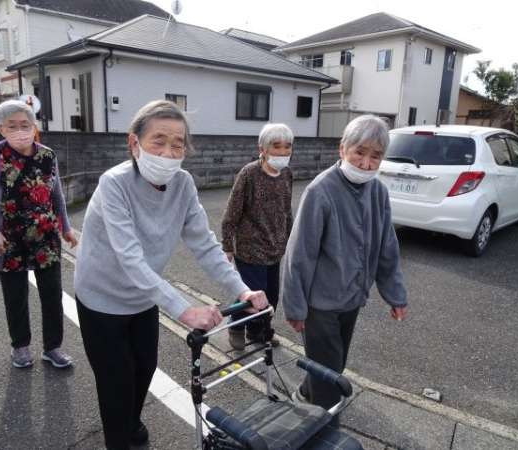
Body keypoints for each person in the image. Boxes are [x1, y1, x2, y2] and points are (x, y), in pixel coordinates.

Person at [74, 100, 268, 450]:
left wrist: (242, 290)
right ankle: (119, 438)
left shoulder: (183, 183)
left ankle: (131, 421)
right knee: (116, 381)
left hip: (143, 296)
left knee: (145, 367)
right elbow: (130, 258)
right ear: (134, 143)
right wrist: (185, 310)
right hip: (101, 298)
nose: (168, 152)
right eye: (158, 141)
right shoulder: (114, 184)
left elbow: (205, 244)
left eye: (178, 144)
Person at [281, 115, 408, 424]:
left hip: (352, 299)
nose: (366, 163)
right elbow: (299, 254)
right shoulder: (320, 191)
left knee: (333, 364)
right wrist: (295, 307)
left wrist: (395, 295)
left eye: (375, 156)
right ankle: (325, 427)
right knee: (329, 374)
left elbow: (387, 247)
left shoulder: (377, 192)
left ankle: (306, 395)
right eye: (359, 152)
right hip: (320, 305)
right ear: (342, 149)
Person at [0, 100, 77, 370]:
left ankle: (53, 347)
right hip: (7, 239)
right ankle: (20, 346)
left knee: (52, 294)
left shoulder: (47, 155)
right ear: (1, 128)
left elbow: (56, 194)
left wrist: (66, 228)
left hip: (46, 236)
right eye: (12, 126)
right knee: (15, 296)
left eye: (25, 124)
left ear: (34, 126)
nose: (20, 130)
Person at [221, 123, 293, 350]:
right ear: (262, 148)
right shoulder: (249, 174)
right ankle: (236, 326)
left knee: (271, 295)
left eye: (288, 146)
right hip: (249, 247)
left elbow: (286, 210)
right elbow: (232, 212)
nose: (283, 151)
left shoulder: (287, 174)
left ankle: (257, 330)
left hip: (275, 247)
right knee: (253, 293)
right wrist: (227, 246)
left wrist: (290, 239)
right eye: (277, 146)